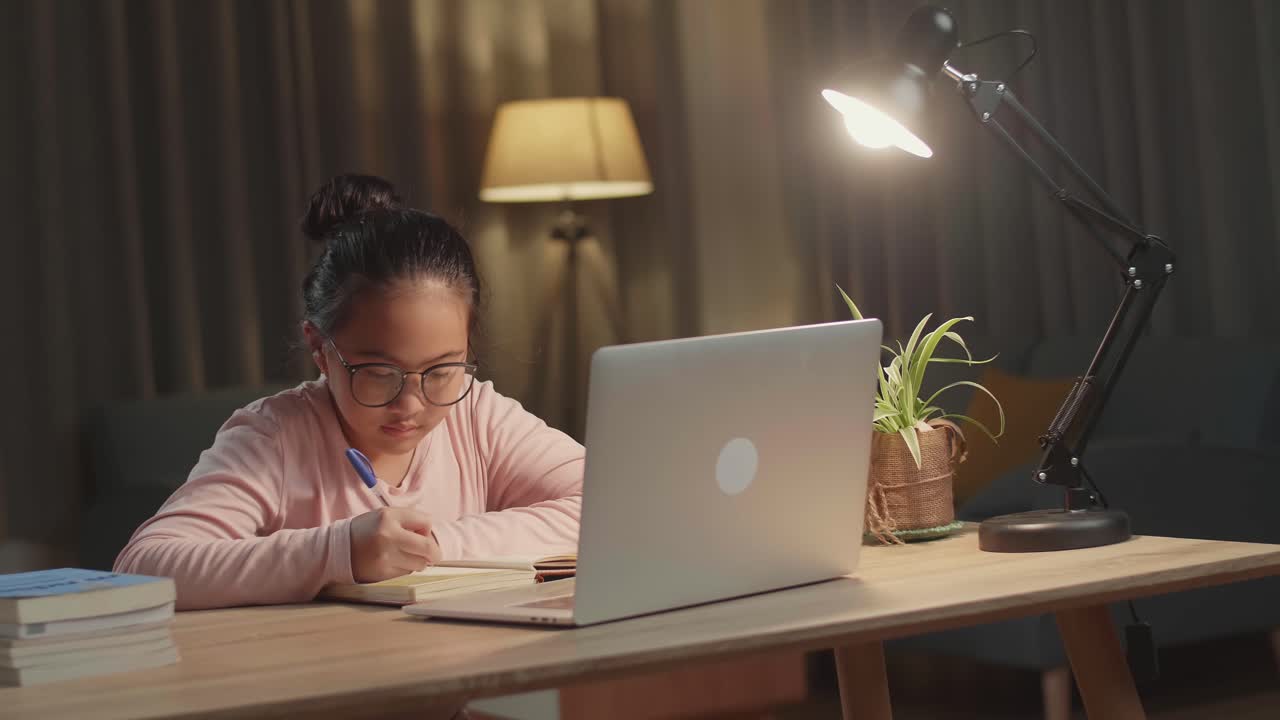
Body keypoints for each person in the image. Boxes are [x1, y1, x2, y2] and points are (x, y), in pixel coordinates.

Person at [115, 174, 583, 611]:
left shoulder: (476, 415)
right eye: (380, 372)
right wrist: (337, 552)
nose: (411, 404)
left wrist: (436, 546)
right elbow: (146, 566)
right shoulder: (275, 437)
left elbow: (610, 504)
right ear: (320, 349)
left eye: (440, 370)